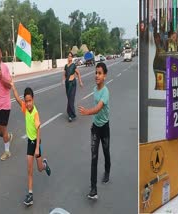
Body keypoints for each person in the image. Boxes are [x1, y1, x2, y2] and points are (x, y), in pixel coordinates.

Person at [10, 83, 51, 206]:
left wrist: (38, 147)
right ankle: (30, 194)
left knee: (39, 169)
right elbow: (17, 99)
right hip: (30, 142)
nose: (28, 104)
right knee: (29, 169)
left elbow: (39, 129)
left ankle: (44, 164)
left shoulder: (35, 113)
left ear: (33, 99)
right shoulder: (25, 108)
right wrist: (13, 87)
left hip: (36, 142)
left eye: (30, 101)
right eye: (26, 101)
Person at [78, 62, 111, 200]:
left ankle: (107, 171)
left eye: (100, 73)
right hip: (95, 128)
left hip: (105, 127)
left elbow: (98, 108)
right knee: (94, 157)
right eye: (96, 73)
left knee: (106, 151)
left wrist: (87, 112)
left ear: (105, 76)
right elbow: (96, 110)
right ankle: (93, 189)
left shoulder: (105, 92)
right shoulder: (94, 89)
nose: (97, 75)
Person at [63, 52, 83, 122]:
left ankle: (71, 115)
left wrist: (80, 81)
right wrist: (63, 80)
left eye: (70, 56)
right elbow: (64, 74)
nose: (69, 57)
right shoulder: (66, 66)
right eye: (68, 56)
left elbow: (78, 73)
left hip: (73, 84)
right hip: (67, 84)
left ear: (72, 57)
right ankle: (69, 114)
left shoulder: (74, 65)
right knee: (69, 99)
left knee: (71, 99)